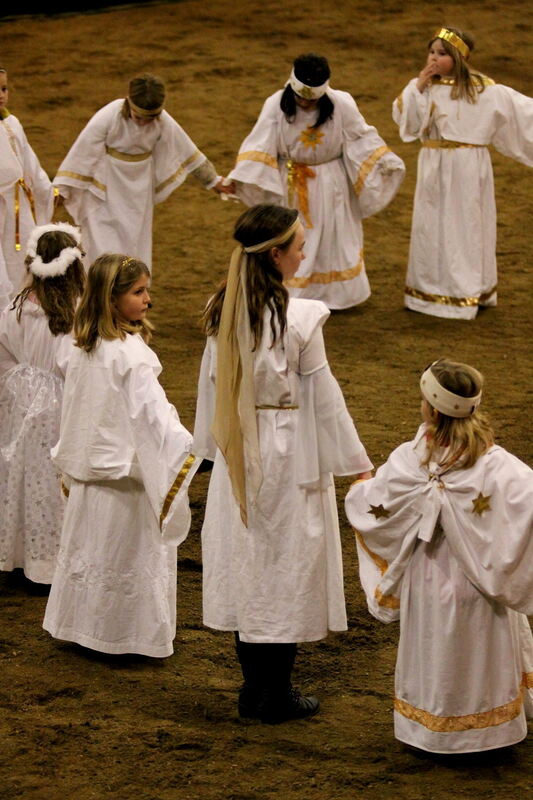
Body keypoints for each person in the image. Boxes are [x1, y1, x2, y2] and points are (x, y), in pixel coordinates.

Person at [194, 204, 373, 723]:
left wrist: (208, 452)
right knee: (287, 565)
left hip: (239, 452)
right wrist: (358, 464)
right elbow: (324, 398)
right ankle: (276, 694)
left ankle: (254, 688)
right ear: (275, 256)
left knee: (247, 562)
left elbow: (211, 387)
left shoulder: (221, 309)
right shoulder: (302, 316)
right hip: (290, 453)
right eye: (296, 245)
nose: (303, 251)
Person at [345, 358, 533, 753]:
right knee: (482, 653)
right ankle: (490, 734)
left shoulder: (409, 462)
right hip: (481, 587)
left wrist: (361, 487)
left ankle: (430, 731)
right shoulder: (500, 469)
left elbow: (375, 508)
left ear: (429, 407)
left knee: (433, 650)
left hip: (429, 579)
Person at [43, 253, 199, 657]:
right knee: (125, 556)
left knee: (89, 552)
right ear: (111, 299)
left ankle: (82, 627)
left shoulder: (79, 348)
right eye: (138, 291)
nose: (148, 299)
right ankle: (125, 637)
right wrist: (188, 445)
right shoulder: (132, 355)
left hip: (89, 473)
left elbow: (76, 408)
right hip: (126, 482)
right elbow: (152, 417)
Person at [225, 53, 405, 310]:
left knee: (335, 235)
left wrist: (384, 159)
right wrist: (242, 175)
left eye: (312, 100)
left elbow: (361, 137)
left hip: (333, 184)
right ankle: (296, 293)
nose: (306, 104)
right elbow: (260, 142)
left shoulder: (341, 103)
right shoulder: (275, 104)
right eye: (300, 98)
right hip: (293, 184)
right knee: (296, 237)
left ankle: (337, 296)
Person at [393, 27, 533, 319]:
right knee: (431, 227)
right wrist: (418, 86)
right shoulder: (424, 86)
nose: (434, 58)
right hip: (433, 167)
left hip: (467, 169)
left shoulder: (485, 90)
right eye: (432, 52)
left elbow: (524, 115)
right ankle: (428, 291)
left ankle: (465, 289)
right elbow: (407, 123)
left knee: (465, 226)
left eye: (442, 54)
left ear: (458, 58)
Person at [53, 73, 232, 270]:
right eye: (139, 117)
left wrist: (213, 180)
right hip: (104, 189)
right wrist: (62, 190)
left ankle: (130, 292)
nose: (144, 124)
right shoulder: (109, 115)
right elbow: (82, 152)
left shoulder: (163, 121)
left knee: (134, 241)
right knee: (101, 242)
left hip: (139, 192)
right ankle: (101, 290)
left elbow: (187, 150)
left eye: (151, 119)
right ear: (129, 102)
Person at [0, 223, 85, 583]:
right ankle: (48, 564)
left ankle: (20, 556)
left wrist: (17, 385)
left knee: (19, 475)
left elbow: (4, 353)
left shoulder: (15, 308)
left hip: (19, 401)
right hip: (60, 405)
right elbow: (77, 365)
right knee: (53, 482)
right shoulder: (78, 314)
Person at [0, 67, 56, 309]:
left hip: (18, 208)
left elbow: (30, 164)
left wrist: (47, 190)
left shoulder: (13, 123)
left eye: (4, 88)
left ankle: (18, 314)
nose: (1, 94)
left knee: (20, 260)